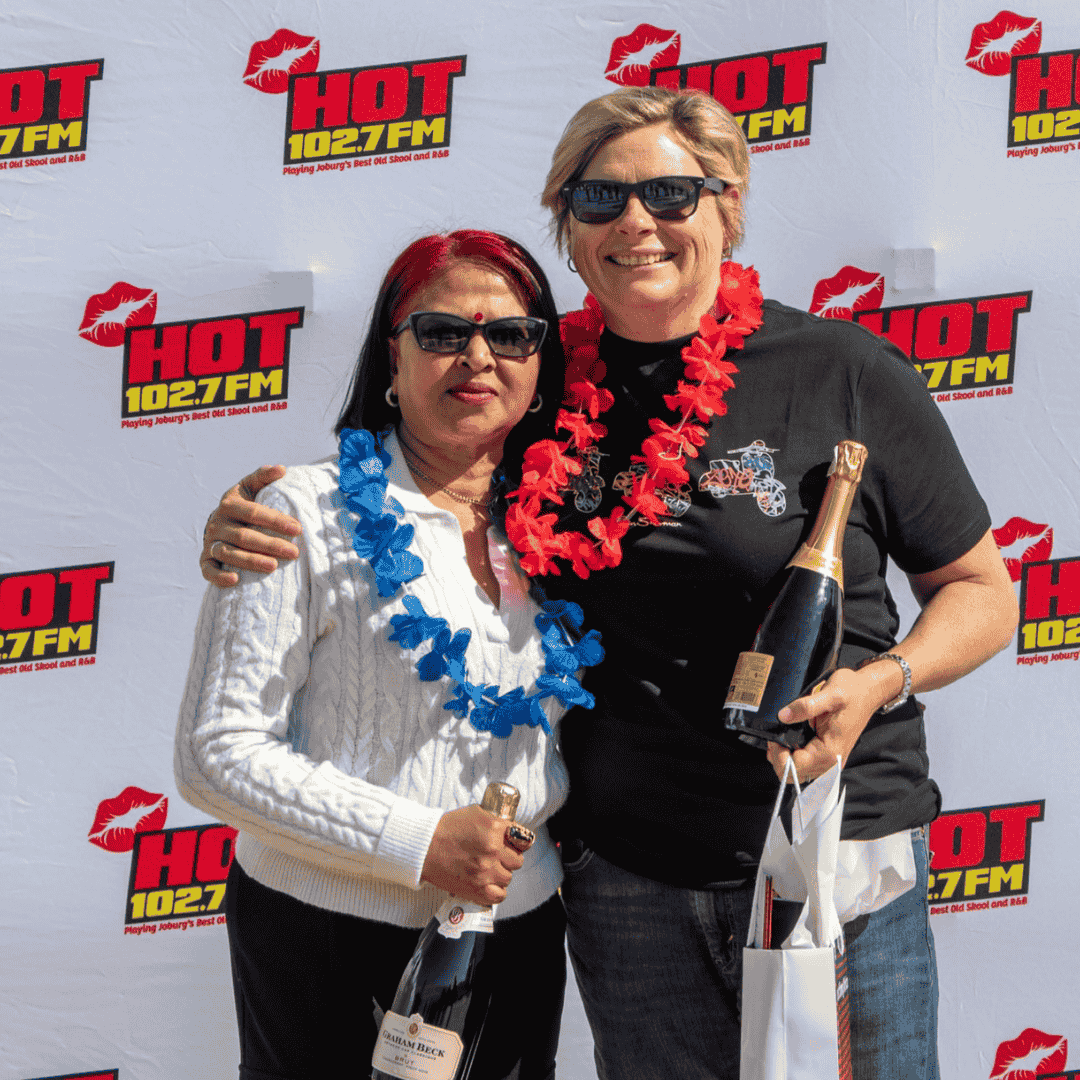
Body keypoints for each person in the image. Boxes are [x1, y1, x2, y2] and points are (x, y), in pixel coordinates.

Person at [198, 88, 1019, 1080]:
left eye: (672, 193)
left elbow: (982, 591)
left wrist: (882, 680)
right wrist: (258, 515)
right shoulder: (537, 383)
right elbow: (421, 484)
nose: (637, 222)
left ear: (729, 207)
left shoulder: (840, 370)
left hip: (828, 848)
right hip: (627, 877)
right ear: (570, 230)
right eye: (599, 199)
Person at [176, 230, 590, 1080]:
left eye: (510, 335)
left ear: (541, 363)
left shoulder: (573, 522)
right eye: (441, 332)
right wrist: (418, 839)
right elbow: (216, 753)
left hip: (516, 931)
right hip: (320, 934)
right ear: (390, 364)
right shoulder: (300, 512)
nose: (477, 357)